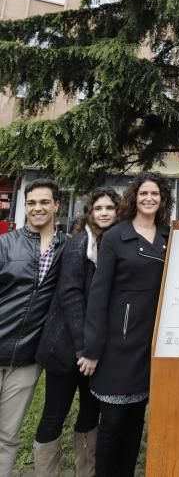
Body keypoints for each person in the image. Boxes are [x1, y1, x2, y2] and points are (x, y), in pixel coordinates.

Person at [78, 173, 174, 477]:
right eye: (144, 192)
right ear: (134, 197)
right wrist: (92, 348)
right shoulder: (117, 235)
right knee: (113, 424)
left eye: (155, 193)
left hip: (151, 341)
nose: (149, 198)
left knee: (135, 422)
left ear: (163, 199)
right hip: (118, 342)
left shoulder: (167, 236)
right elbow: (98, 294)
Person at [34, 187, 121, 476]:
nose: (104, 213)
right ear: (90, 212)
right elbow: (71, 296)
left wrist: (93, 350)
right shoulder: (79, 244)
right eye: (99, 208)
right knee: (54, 414)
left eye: (110, 208)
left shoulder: (115, 244)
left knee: (89, 414)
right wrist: (85, 348)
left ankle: (87, 470)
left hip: (96, 353)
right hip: (66, 348)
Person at [0, 178, 65, 475]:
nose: (37, 208)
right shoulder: (5, 244)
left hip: (27, 358)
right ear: (24, 207)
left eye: (43, 202)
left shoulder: (69, 248)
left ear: (56, 206)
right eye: (31, 203)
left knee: (7, 436)